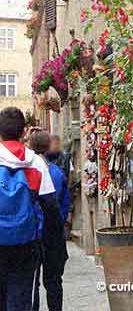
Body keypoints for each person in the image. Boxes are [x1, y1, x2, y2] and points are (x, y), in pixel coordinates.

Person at [0, 107, 64, 311]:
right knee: (20, 297)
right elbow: (51, 207)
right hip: (25, 241)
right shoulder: (36, 162)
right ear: (23, 132)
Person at [30, 131, 70, 311]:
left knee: (33, 283)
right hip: (53, 233)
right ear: (47, 148)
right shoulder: (57, 173)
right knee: (54, 281)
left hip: (33, 233)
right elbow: (64, 204)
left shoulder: (27, 171)